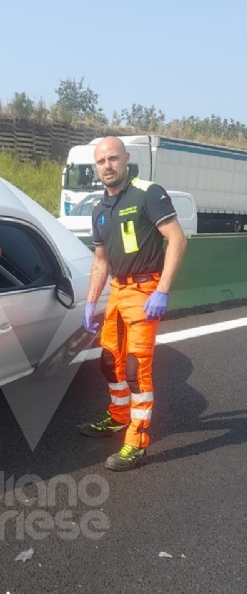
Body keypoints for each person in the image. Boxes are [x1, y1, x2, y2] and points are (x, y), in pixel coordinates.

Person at [79, 136, 187, 470]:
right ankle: (118, 417)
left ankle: (137, 441)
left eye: (113, 159)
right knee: (110, 362)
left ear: (126, 159)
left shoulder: (148, 193)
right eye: (101, 162)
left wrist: (163, 289)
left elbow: (177, 239)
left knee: (136, 369)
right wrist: (90, 301)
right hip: (117, 292)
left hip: (144, 292)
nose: (107, 166)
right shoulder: (100, 210)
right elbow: (100, 262)